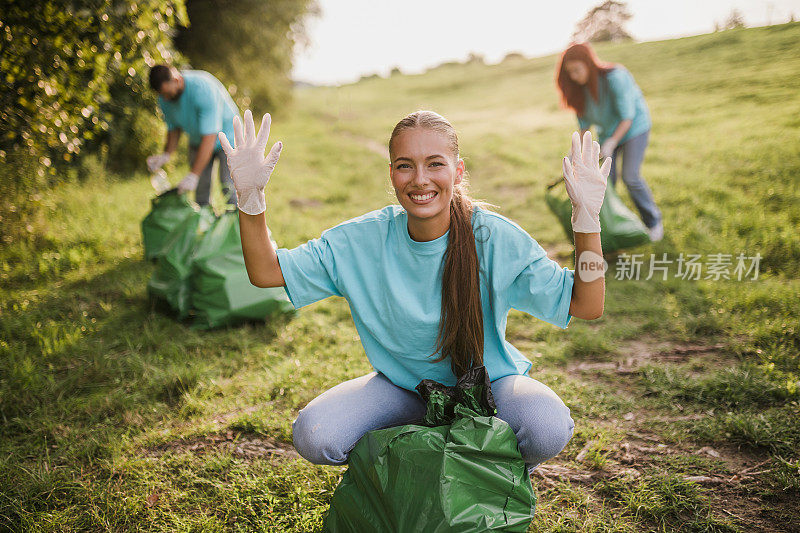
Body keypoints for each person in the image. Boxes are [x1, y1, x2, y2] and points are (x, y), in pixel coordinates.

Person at [218, 109, 610, 472]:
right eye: (406, 166)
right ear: (391, 174)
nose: (420, 179)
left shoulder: (493, 237)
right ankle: (410, 472)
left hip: (489, 389)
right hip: (404, 392)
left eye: (435, 164)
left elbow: (586, 304)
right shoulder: (361, 241)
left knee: (546, 426)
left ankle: (487, 478)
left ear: (457, 171)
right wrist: (251, 200)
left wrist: (587, 220)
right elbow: (267, 272)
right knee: (315, 434)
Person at [556, 42, 664, 242]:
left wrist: (612, 143)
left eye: (577, 70)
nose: (574, 76)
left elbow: (627, 116)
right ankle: (614, 229)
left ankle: (654, 221)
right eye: (570, 72)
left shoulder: (615, 77)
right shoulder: (580, 91)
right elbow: (583, 128)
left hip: (634, 128)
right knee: (605, 184)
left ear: (588, 63)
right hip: (607, 135)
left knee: (630, 176)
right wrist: (575, 155)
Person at [146, 64, 240, 207]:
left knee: (229, 187)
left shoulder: (202, 88)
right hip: (198, 140)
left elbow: (210, 137)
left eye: (168, 94)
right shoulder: (165, 99)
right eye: (162, 94)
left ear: (176, 80)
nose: (165, 99)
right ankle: (205, 226)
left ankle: (236, 225)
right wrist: (166, 155)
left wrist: (193, 175)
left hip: (227, 138)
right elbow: (174, 128)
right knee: (201, 193)